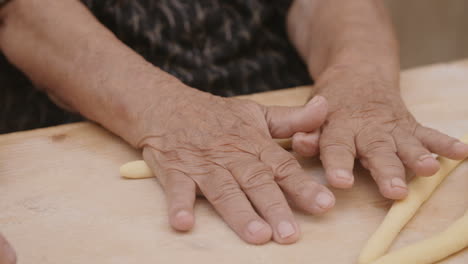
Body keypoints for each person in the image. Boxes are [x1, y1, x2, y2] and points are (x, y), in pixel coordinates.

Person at [1, 0, 467, 255]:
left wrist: (360, 77)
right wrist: (167, 112)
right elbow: (25, 11)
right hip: (88, 116)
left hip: (288, 114)